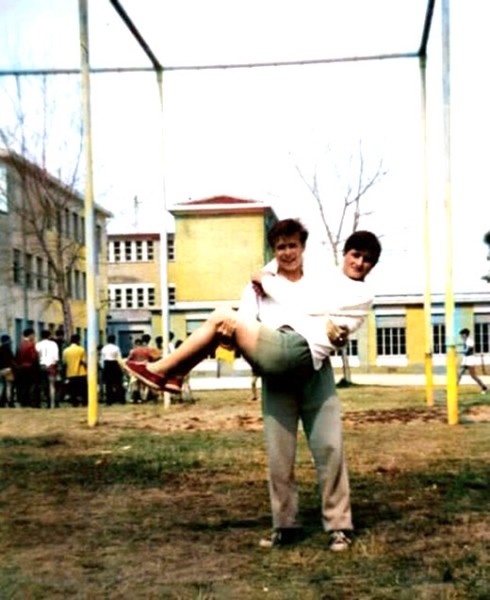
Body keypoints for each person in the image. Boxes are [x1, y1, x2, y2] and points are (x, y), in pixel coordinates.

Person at [126, 219, 381, 552]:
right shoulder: (257, 286)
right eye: (281, 247)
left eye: (293, 246)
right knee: (279, 454)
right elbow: (242, 324)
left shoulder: (320, 279)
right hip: (275, 368)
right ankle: (284, 525)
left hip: (313, 369)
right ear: (273, 250)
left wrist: (321, 325)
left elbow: (323, 315)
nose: (288, 253)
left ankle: (338, 526)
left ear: (303, 248)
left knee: (330, 448)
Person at [15, 328, 40, 408]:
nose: (34, 337)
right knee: (32, 385)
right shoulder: (31, 344)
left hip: (21, 368)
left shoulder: (20, 344)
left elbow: (17, 357)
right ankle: (32, 402)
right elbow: (34, 357)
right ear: (30, 335)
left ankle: (23, 402)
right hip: (30, 367)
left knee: (23, 385)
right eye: (33, 335)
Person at [457, 328, 488, 393]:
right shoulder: (466, 341)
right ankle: (454, 389)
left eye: (462, 335)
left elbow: (467, 351)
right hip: (465, 359)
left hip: (470, 360)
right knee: (459, 374)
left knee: (473, 376)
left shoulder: (470, 341)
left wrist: (457, 351)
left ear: (465, 335)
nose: (461, 336)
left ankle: (483, 387)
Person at [36, 329, 60, 408]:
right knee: (52, 385)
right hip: (51, 366)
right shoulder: (53, 344)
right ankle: (51, 403)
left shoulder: (38, 344)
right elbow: (56, 358)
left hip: (41, 366)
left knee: (41, 385)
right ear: (49, 336)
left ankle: (41, 402)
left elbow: (37, 356)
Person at [63, 334, 88, 407]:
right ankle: (84, 402)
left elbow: (65, 362)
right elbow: (84, 361)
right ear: (78, 340)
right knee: (83, 389)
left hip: (70, 372)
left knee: (73, 389)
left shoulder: (66, 351)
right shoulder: (81, 349)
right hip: (81, 372)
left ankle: (74, 403)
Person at [100, 334, 125, 404]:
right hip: (114, 364)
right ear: (114, 340)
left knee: (108, 384)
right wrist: (122, 367)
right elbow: (119, 358)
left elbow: (102, 359)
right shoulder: (116, 348)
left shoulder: (104, 348)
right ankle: (121, 400)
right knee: (118, 383)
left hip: (107, 365)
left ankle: (109, 401)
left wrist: (103, 367)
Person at [0, 334, 16, 407]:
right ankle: (9, 401)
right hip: (8, 370)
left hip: (1, 370)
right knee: (9, 386)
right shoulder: (8, 350)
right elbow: (11, 360)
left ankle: (2, 401)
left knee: (2, 386)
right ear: (7, 341)